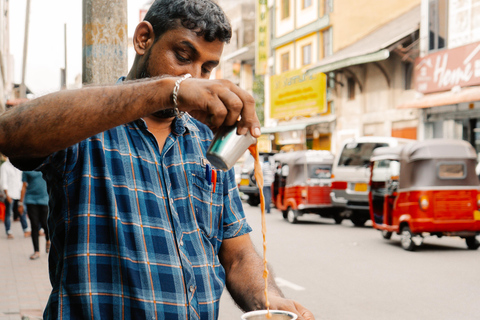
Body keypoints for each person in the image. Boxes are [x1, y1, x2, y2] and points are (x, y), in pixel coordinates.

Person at [0, 1, 315, 319]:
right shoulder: (86, 125)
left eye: (206, 68)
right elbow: (8, 134)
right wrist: (169, 90)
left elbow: (238, 254)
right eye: (183, 56)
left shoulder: (208, 141)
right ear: (143, 39)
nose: (194, 76)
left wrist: (269, 298)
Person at [19, 171, 50, 260]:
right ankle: (36, 251)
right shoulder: (26, 169)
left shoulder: (43, 163)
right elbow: (24, 186)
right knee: (34, 225)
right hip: (31, 199)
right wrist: (20, 203)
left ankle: (48, 239)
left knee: (45, 223)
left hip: (44, 199)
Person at [0, 157, 30, 239]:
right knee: (8, 213)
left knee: (22, 211)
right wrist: (7, 195)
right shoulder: (4, 166)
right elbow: (3, 182)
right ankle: (8, 231)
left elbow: (22, 180)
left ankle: (26, 229)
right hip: (10, 194)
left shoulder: (19, 165)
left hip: (19, 193)